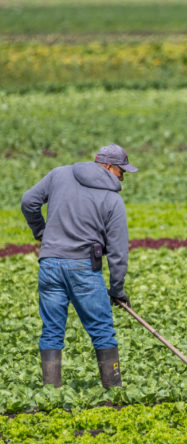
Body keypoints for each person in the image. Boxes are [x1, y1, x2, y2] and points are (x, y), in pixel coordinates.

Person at [20, 144, 136, 388]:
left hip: (49, 265)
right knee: (102, 330)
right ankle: (114, 392)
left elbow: (29, 202)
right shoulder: (113, 200)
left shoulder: (59, 174)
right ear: (107, 166)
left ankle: (51, 392)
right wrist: (117, 290)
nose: (123, 176)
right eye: (121, 170)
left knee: (51, 330)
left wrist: (41, 233)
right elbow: (118, 253)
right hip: (84, 269)